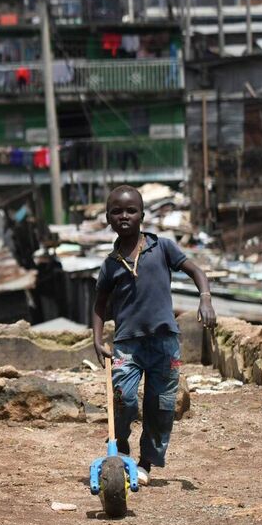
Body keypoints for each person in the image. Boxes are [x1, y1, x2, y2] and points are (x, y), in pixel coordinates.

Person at [91, 185, 216, 485]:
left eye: (131, 211)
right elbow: (99, 305)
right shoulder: (110, 265)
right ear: (108, 218)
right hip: (127, 346)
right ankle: (121, 446)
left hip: (164, 343)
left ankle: (145, 462)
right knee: (123, 398)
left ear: (142, 215)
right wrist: (96, 339)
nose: (124, 216)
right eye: (116, 212)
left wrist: (205, 299)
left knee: (160, 405)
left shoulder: (162, 248)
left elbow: (196, 271)